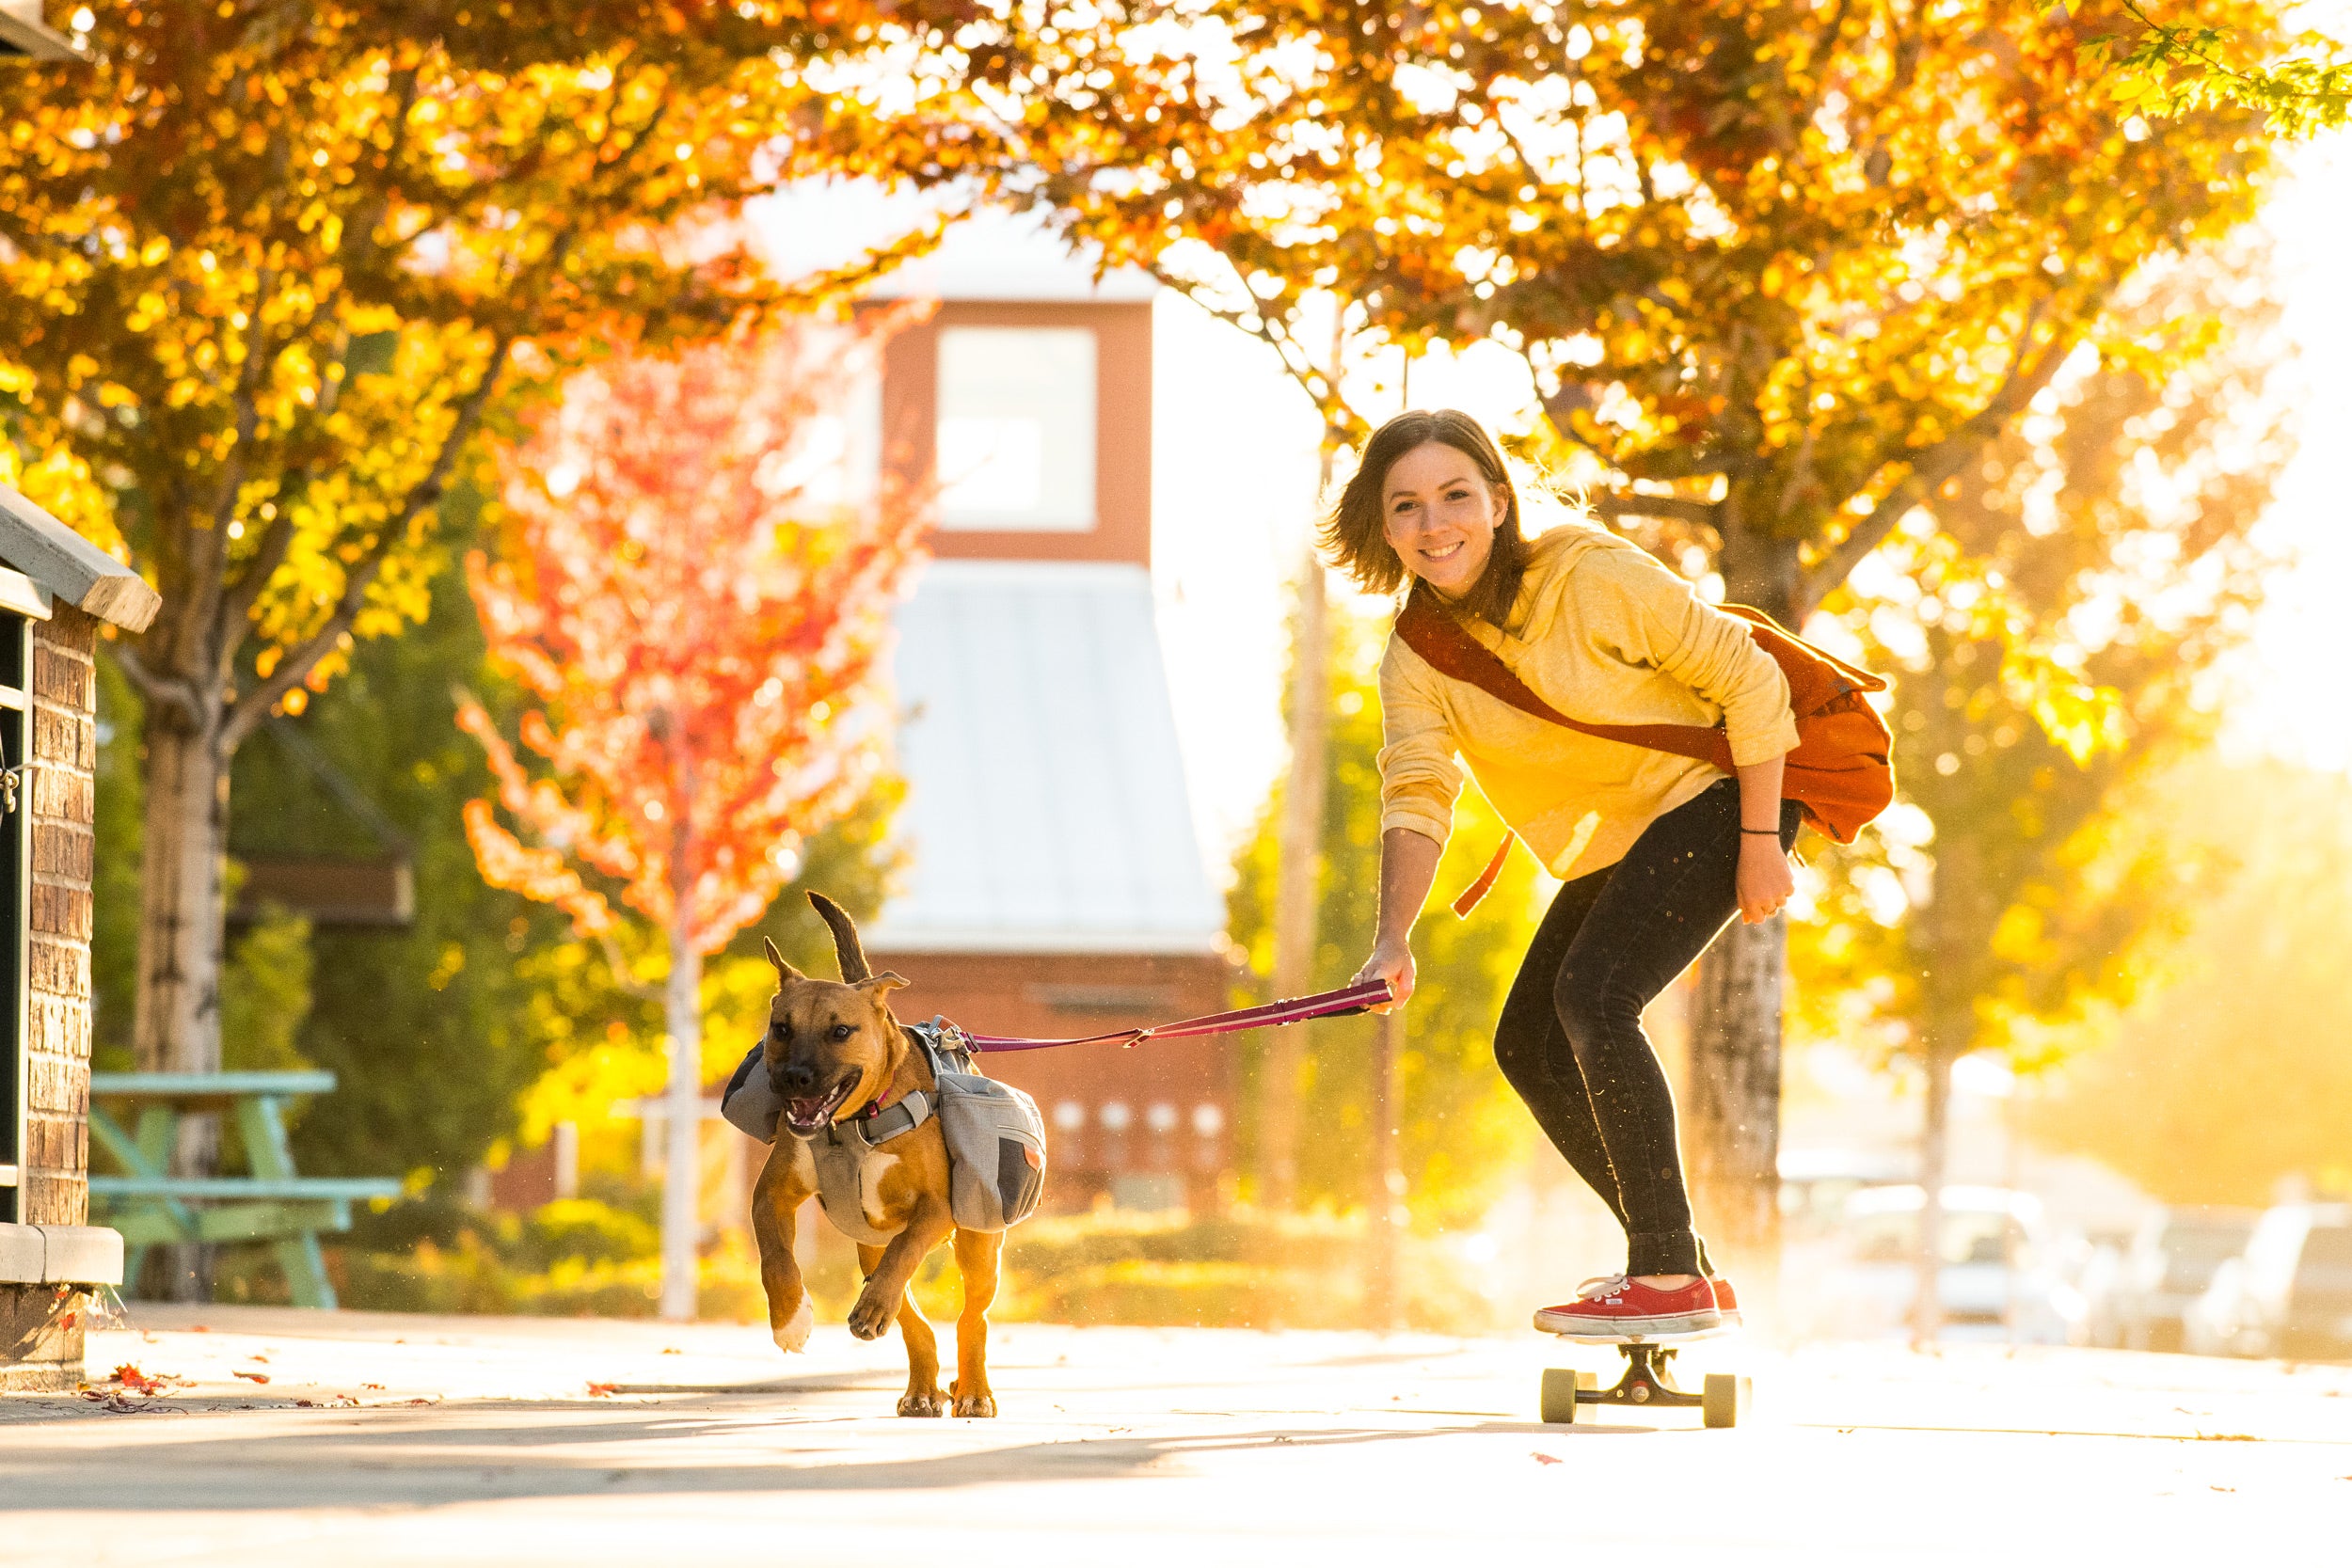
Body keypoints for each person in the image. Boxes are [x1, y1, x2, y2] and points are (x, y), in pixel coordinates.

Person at [1342, 408, 1799, 1337]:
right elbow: (1419, 794)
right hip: (1634, 829)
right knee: (1530, 1041)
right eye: (1408, 506)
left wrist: (1758, 839)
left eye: (1456, 495)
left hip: (1722, 794)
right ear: (1383, 527)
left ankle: (1665, 1269)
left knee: (1594, 995)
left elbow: (1751, 681)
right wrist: (1392, 936)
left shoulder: (1590, 573)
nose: (1436, 524)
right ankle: (1682, 1267)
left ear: (1499, 501)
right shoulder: (1419, 657)